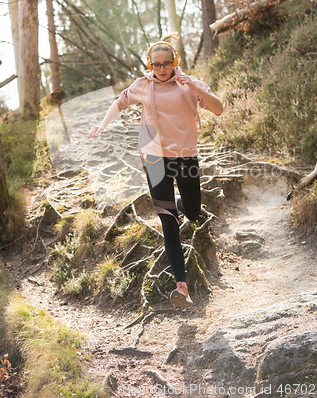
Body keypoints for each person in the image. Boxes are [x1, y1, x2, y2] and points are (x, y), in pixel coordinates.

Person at [89, 34, 223, 308]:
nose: (161, 69)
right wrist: (101, 126)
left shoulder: (188, 85)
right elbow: (119, 103)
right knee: (169, 224)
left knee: (194, 212)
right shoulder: (142, 86)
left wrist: (196, 85)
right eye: (156, 64)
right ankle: (182, 288)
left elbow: (218, 109)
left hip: (185, 157)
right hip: (155, 159)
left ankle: (172, 204)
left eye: (167, 63)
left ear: (175, 62)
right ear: (149, 65)